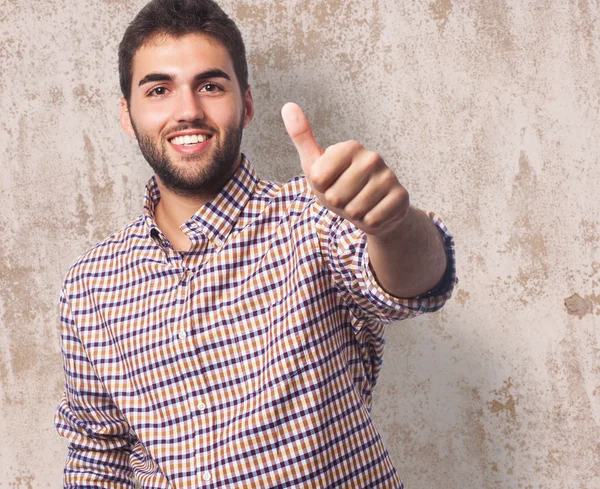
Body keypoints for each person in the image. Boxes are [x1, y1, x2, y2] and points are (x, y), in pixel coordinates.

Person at [54, 0, 457, 487]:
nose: (187, 110)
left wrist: (391, 225)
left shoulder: (312, 217)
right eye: (159, 89)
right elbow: (99, 455)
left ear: (246, 103)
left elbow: (415, 285)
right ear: (127, 114)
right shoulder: (90, 286)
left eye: (210, 86)